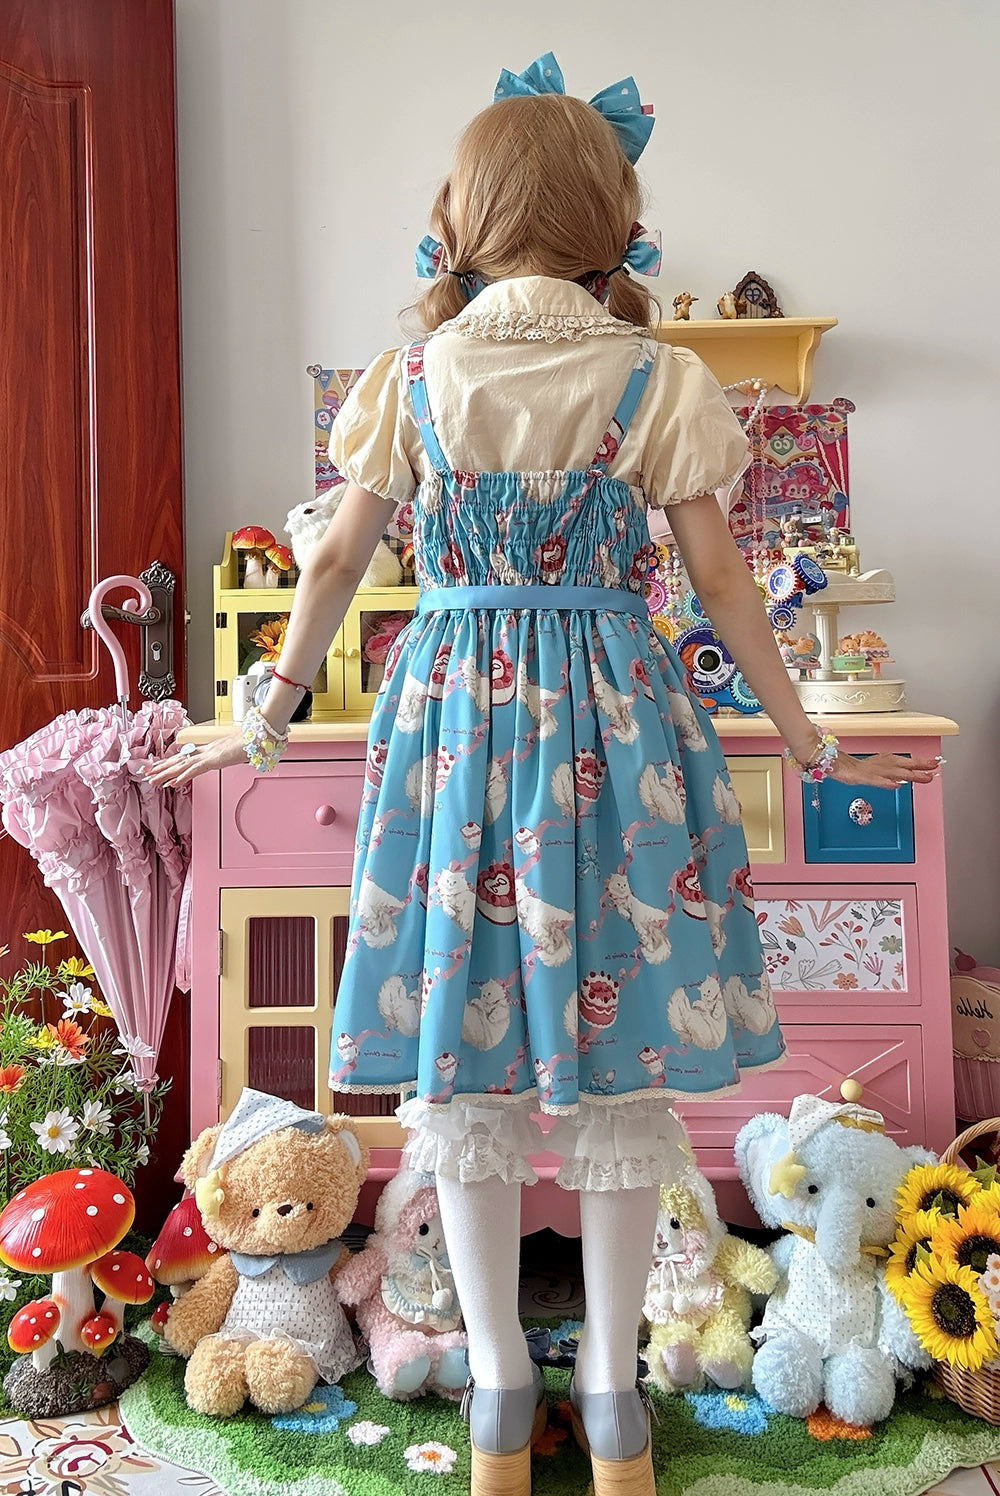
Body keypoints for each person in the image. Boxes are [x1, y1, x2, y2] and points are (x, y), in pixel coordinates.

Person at [146, 53, 939, 1496]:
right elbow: (725, 590)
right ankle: (614, 1392)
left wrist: (263, 715)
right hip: (618, 737)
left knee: (469, 1069)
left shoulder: (411, 379)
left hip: (455, 735)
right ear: (610, 215)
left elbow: (333, 562)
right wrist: (810, 739)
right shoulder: (659, 377)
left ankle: (503, 1389)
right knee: (626, 1069)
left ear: (466, 216)